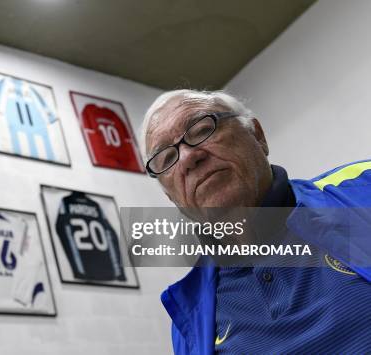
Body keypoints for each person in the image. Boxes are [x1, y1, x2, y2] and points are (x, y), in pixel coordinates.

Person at [140, 89, 371, 354]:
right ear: (172, 198)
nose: (188, 158)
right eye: (167, 159)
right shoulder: (190, 318)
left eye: (202, 129)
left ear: (257, 135)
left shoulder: (363, 189)